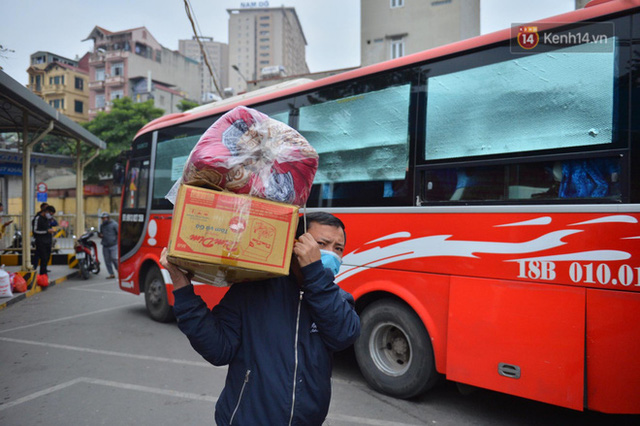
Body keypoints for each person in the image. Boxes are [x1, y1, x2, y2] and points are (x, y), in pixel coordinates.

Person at [160, 212, 360, 425]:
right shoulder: (253, 289)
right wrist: (182, 287)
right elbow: (218, 350)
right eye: (321, 244)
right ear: (295, 245)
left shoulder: (337, 299)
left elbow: (343, 335)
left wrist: (315, 275)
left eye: (338, 248)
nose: (331, 253)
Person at [32, 205, 56, 277]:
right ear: (46, 212)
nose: (51, 216)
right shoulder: (38, 218)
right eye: (50, 214)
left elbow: (55, 223)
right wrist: (46, 231)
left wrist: (51, 219)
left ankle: (44, 273)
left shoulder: (48, 219)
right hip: (41, 241)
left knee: (47, 258)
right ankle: (41, 273)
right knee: (43, 257)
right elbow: (35, 231)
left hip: (48, 241)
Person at [98, 212, 119, 278]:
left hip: (113, 245)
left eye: (105, 218)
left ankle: (119, 270)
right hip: (105, 245)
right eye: (102, 218)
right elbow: (101, 234)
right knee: (107, 260)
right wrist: (100, 235)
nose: (104, 220)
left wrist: (117, 240)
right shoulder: (102, 226)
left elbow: (118, 233)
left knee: (114, 258)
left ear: (108, 218)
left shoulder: (114, 224)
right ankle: (111, 274)